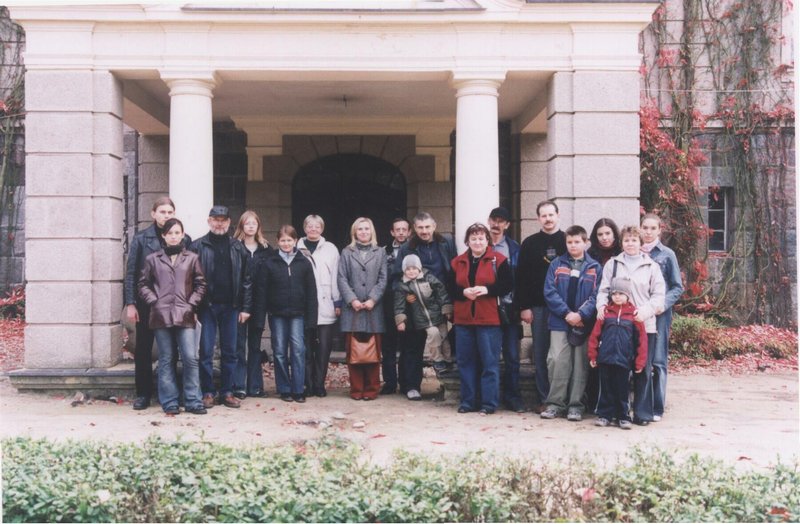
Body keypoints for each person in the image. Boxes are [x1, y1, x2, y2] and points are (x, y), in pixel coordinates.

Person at [125, 196, 191, 411]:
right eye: (162, 212)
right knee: (143, 349)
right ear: (153, 214)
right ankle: (143, 393)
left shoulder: (184, 239)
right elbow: (132, 273)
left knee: (172, 350)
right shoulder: (141, 239)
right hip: (147, 303)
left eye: (170, 212)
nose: (166, 216)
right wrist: (130, 303)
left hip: (174, 304)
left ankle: (173, 394)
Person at [596, 225, 666, 426]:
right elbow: (603, 290)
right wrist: (601, 307)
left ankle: (642, 413)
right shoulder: (613, 264)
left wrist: (644, 312)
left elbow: (658, 296)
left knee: (642, 369)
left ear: (640, 242)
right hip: (617, 325)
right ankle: (614, 412)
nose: (630, 244)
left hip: (643, 323)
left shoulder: (651, 266)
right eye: (626, 240)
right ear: (622, 242)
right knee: (615, 369)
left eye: (634, 240)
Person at [137, 218, 207, 415]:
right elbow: (142, 284)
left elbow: (201, 284)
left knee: (190, 357)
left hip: (185, 314)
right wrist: (154, 300)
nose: (174, 236)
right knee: (166, 358)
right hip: (161, 315)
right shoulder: (153, 259)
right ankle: (170, 401)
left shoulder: (192, 258)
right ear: (164, 236)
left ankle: (193, 400)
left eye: (177, 233)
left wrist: (191, 303)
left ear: (182, 235)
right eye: (170, 233)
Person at [189, 206, 252, 409]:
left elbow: (247, 280)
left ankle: (227, 392)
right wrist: (193, 308)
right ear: (209, 221)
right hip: (206, 307)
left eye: (223, 220)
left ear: (229, 222)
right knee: (206, 351)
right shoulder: (197, 246)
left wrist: (245, 308)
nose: (219, 223)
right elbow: (189, 280)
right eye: (215, 219)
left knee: (230, 351)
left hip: (231, 307)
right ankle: (208, 392)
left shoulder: (238, 247)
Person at [450, 223, 513, 415]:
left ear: (487, 241)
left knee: (489, 363)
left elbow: (507, 284)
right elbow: (449, 287)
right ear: (467, 241)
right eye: (473, 238)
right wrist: (463, 292)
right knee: (465, 362)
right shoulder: (457, 262)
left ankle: (488, 403)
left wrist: (487, 290)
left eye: (481, 238)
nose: (477, 242)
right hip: (463, 320)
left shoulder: (499, 260)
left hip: (489, 320)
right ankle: (467, 402)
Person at [540, 225, 601, 422]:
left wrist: (581, 315)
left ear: (585, 242)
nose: (573, 245)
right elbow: (550, 292)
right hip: (560, 321)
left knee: (580, 364)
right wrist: (566, 313)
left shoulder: (594, 267)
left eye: (577, 242)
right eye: (569, 242)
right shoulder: (556, 264)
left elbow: (597, 295)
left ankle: (576, 405)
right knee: (557, 360)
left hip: (583, 323)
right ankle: (555, 403)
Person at [514, 200, 567, 413]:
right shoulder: (529, 243)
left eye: (551, 215)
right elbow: (522, 277)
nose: (548, 219)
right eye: (543, 215)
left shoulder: (567, 241)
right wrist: (524, 307)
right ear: (538, 218)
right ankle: (545, 398)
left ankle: (563, 398)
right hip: (538, 307)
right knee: (541, 353)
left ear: (558, 215)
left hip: (563, 309)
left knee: (561, 354)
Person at [256, 225, 318, 402]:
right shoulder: (270, 263)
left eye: (289, 240)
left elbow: (311, 293)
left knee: (298, 350)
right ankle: (284, 388)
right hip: (277, 314)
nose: (286, 243)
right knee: (279, 351)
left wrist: (312, 320)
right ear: (277, 241)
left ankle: (298, 389)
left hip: (298, 314)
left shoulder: (304, 263)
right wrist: (260, 318)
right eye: (283, 240)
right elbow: (262, 292)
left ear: (295, 241)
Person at [394, 212, 457, 375]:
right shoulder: (407, 248)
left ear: (434, 226)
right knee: (414, 346)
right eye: (420, 227)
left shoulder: (446, 242)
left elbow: (454, 268)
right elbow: (397, 276)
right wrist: (405, 295)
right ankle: (411, 384)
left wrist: (450, 301)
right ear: (414, 228)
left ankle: (446, 363)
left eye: (427, 227)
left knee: (444, 335)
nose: (424, 231)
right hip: (417, 303)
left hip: (442, 299)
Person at [338, 217, 388, 401]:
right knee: (354, 352)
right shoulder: (346, 252)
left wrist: (373, 299)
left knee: (373, 352)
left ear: (371, 231)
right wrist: (352, 300)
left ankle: (372, 389)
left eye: (367, 228)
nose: (364, 232)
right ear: (355, 232)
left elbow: (383, 278)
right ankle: (356, 389)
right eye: (360, 229)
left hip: (373, 309)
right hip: (353, 310)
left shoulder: (380, 252)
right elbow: (341, 278)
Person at [588, 277, 648, 430]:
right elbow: (595, 336)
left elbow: (642, 340)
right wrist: (593, 355)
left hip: (624, 359)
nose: (617, 297)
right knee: (606, 388)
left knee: (622, 389)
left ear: (628, 295)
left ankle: (623, 416)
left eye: (621, 293)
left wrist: (640, 361)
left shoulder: (634, 315)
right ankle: (604, 415)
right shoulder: (605, 313)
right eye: (614, 294)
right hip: (605, 358)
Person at [640, 213, 683, 421]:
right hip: (639, 312)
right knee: (640, 359)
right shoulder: (634, 251)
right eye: (645, 228)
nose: (648, 232)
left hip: (659, 315)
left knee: (658, 360)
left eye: (652, 228)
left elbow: (677, 287)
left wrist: (662, 304)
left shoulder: (667, 255)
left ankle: (657, 407)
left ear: (659, 230)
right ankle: (640, 403)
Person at [394, 254, 452, 401]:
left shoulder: (429, 278)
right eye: (408, 269)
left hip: (437, 316)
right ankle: (437, 361)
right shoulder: (403, 285)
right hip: (421, 321)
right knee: (433, 335)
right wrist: (400, 320)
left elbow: (441, 292)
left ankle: (447, 363)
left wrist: (446, 308)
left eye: (414, 268)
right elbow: (399, 304)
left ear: (419, 268)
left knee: (444, 338)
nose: (411, 271)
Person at [297, 215, 342, 398]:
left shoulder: (331, 249)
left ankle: (319, 384)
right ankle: (307, 384)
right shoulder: (297, 247)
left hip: (326, 302)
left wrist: (337, 301)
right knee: (306, 347)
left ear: (322, 229)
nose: (313, 229)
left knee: (324, 348)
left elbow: (336, 276)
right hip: (303, 304)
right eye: (310, 225)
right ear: (305, 228)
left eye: (317, 226)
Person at [232, 210, 275, 398]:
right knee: (239, 345)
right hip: (238, 303)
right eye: (247, 223)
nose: (250, 226)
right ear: (241, 225)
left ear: (258, 226)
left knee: (255, 346)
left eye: (254, 223)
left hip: (259, 303)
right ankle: (239, 386)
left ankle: (255, 386)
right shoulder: (234, 247)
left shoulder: (266, 249)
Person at [487, 206, 524, 413]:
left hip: (509, 309)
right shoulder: (479, 244)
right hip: (486, 308)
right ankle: (488, 397)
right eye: (494, 220)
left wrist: (521, 307)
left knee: (512, 356)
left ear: (507, 225)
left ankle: (512, 396)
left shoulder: (514, 248)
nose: (496, 224)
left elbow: (521, 280)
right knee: (488, 355)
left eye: (501, 221)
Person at [585, 217, 622, 411]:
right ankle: (593, 401)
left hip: (618, 311)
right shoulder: (590, 256)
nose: (604, 237)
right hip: (596, 311)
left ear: (615, 234)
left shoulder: (622, 254)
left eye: (608, 233)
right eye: (600, 234)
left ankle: (616, 402)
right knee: (594, 356)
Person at [381, 217, 411, 394]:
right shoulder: (384, 251)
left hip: (408, 301)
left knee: (406, 345)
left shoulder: (413, 250)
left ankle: (406, 382)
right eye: (397, 230)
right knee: (388, 345)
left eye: (404, 229)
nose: (400, 232)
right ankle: (390, 382)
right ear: (392, 232)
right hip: (388, 301)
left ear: (409, 232)